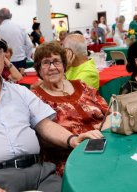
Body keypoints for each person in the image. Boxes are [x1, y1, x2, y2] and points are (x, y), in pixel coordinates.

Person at [0, 28, 99, 192]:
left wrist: (72, 139)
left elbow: (45, 125)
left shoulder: (20, 92)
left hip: (39, 174)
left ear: (4, 58)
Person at [32, 41, 109, 175]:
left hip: (104, 146)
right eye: (45, 63)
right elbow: (42, 136)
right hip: (69, 157)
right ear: (38, 69)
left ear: (64, 65)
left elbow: (109, 112)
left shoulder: (81, 85)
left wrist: (105, 135)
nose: (52, 67)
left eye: (56, 61)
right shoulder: (35, 97)